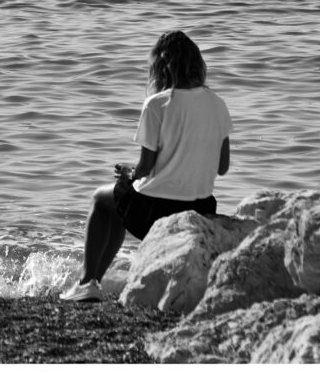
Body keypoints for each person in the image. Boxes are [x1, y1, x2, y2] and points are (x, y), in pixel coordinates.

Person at [59, 30, 233, 302]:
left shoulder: (157, 104)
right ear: (198, 65)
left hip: (155, 212)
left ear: (161, 66)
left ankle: (87, 282)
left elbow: (146, 168)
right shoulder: (219, 104)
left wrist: (130, 172)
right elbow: (222, 167)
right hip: (201, 207)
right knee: (118, 204)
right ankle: (93, 282)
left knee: (102, 199)